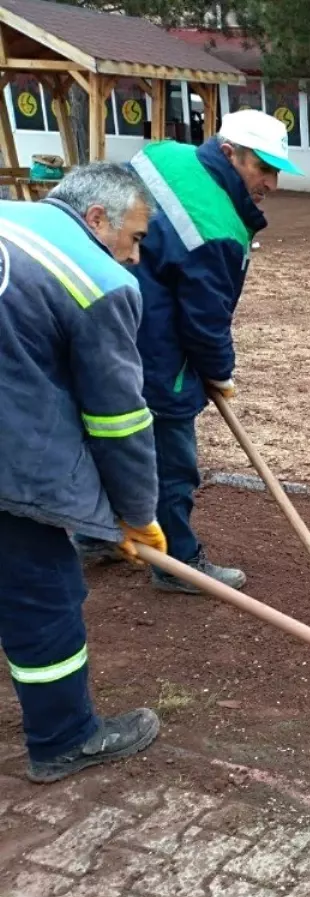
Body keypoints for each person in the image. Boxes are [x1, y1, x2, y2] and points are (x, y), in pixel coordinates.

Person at [76, 109, 303, 593]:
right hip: (157, 351)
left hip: (93, 322)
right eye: (262, 168)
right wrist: (219, 372)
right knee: (171, 458)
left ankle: (96, 534)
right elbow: (205, 320)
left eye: (275, 170)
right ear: (229, 153)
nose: (271, 183)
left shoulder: (163, 154)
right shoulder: (217, 227)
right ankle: (177, 563)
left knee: (102, 435)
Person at [0, 162, 166, 783]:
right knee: (41, 594)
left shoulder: (8, 217)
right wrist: (137, 516)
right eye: (137, 238)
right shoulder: (99, 281)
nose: (136, 257)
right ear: (97, 219)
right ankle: (64, 737)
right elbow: (118, 422)